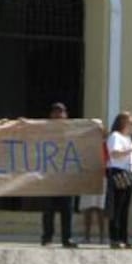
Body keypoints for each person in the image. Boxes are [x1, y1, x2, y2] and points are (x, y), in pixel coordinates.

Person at [40, 102, 77, 248]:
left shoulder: (73, 132)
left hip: (67, 177)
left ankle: (67, 238)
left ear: (66, 115)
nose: (58, 115)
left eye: (61, 112)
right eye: (56, 112)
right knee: (48, 209)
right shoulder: (43, 130)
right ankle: (47, 237)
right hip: (49, 176)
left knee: (67, 210)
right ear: (51, 115)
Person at [106, 111, 132, 248]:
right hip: (118, 171)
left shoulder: (127, 139)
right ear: (123, 122)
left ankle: (123, 238)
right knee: (117, 207)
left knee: (125, 207)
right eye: (130, 122)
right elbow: (114, 153)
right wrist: (130, 151)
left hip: (128, 172)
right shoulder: (115, 136)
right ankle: (115, 238)